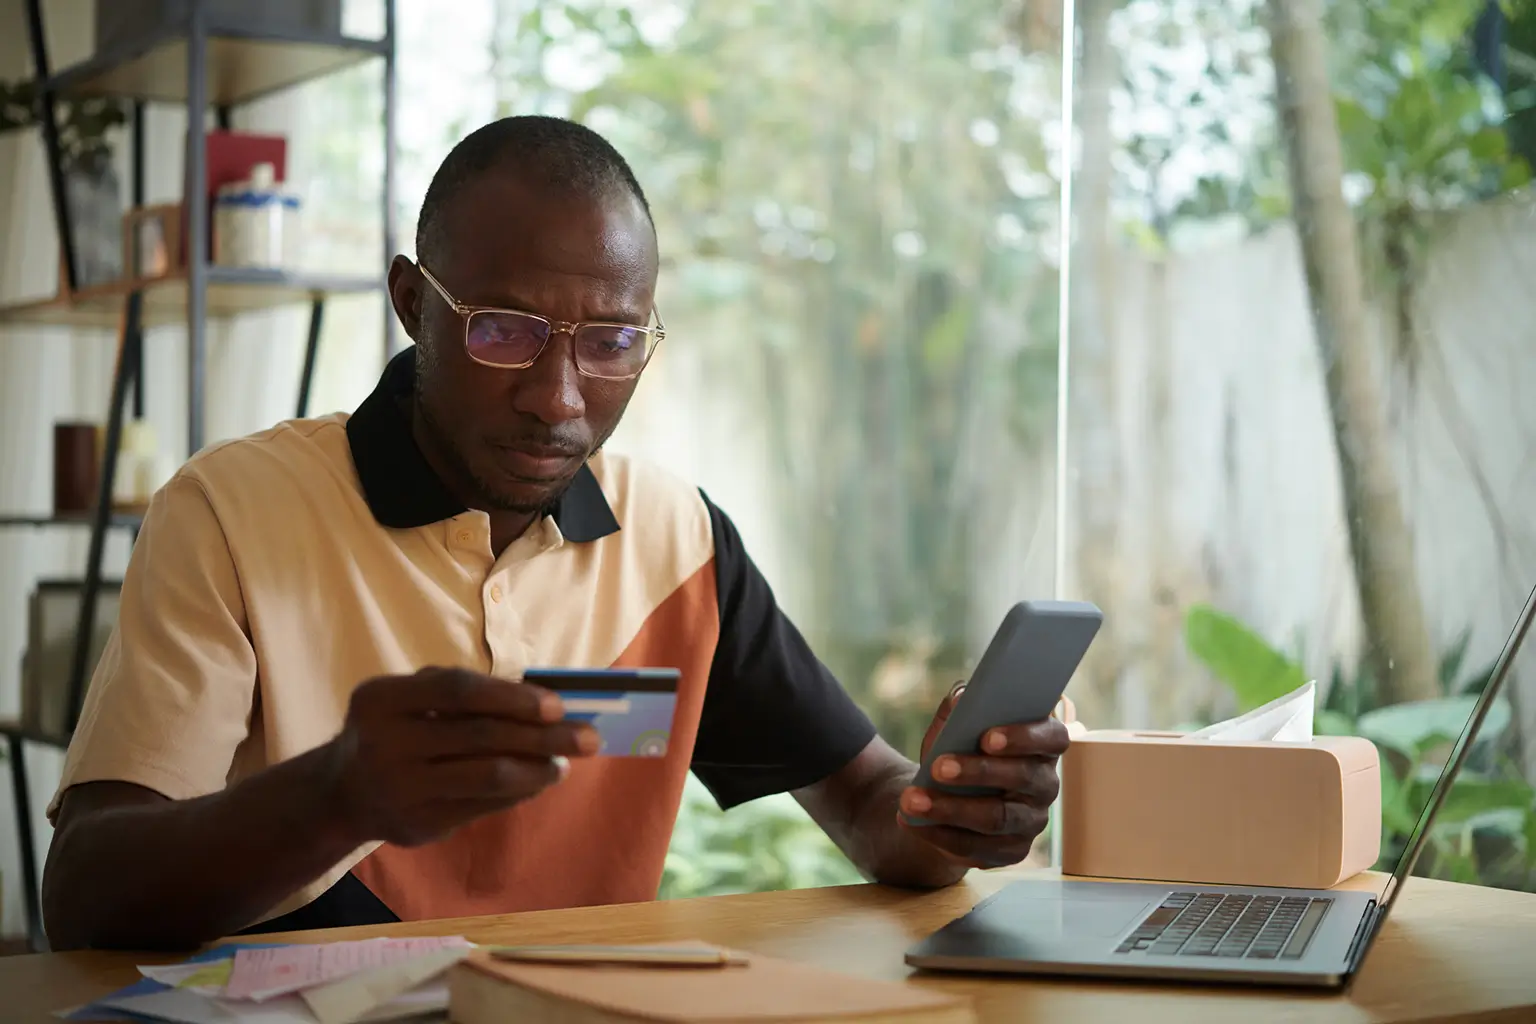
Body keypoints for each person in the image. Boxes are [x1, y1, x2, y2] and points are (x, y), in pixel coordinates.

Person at [40, 116, 1069, 952]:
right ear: (412, 303)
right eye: (505, 330)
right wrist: (335, 794)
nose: (558, 398)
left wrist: (956, 815)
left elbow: (872, 808)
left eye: (615, 341)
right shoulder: (230, 510)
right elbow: (86, 896)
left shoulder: (679, 538)